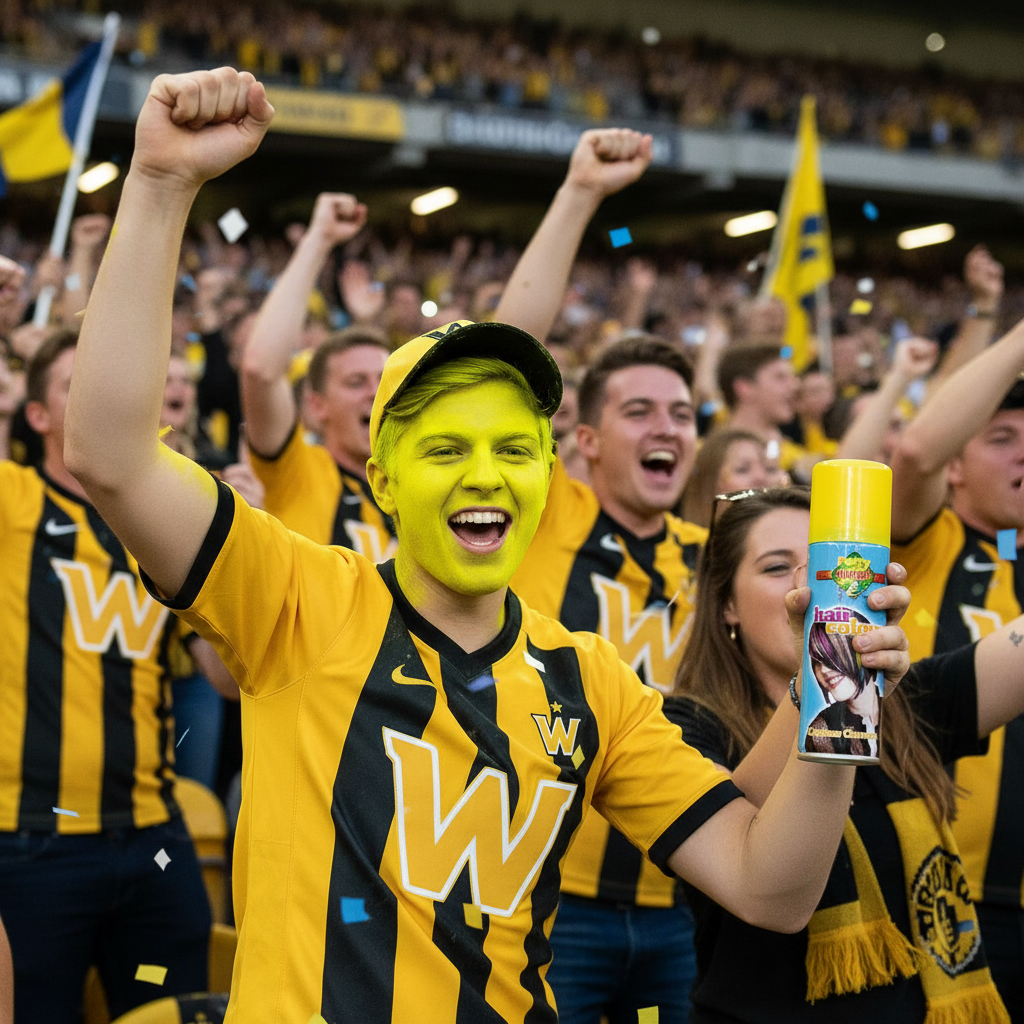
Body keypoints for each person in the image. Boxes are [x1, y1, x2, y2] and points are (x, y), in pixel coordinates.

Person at [64, 68, 911, 1024]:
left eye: (516, 450)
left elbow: (772, 889)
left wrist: (831, 698)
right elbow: (108, 452)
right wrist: (160, 186)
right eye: (445, 449)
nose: (485, 475)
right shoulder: (294, 598)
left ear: (551, 477)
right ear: (381, 479)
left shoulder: (589, 680)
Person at [666, 487, 1012, 1023]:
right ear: (727, 603)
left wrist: (851, 679)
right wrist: (823, 683)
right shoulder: (685, 725)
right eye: (778, 567)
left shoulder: (904, 703)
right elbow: (737, 840)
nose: (806, 587)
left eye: (825, 565)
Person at [498, 129, 704, 1021]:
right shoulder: (548, 517)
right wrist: (580, 192)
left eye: (684, 413)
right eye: (640, 411)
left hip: (688, 902)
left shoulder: (717, 554)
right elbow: (503, 359)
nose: (668, 428)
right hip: (548, 900)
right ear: (581, 443)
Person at [0, 330, 211, 1020]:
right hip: (28, 847)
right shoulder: (12, 502)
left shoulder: (169, 521)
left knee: (172, 1015)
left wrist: (234, 548)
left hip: (155, 840)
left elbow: (230, 680)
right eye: (73, 384)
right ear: (35, 417)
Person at [889, 312, 1024, 1017]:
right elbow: (912, 453)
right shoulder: (926, 542)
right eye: (1001, 440)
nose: (1022, 456)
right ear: (957, 466)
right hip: (945, 894)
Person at [240, 194, 396, 560]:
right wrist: (319, 239)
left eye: (383, 382)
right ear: (316, 405)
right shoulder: (296, 472)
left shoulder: (415, 491)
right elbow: (261, 370)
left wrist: (365, 324)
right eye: (356, 383)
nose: (376, 394)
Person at [716, 343, 818, 482]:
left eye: (793, 377)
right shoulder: (711, 458)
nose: (795, 386)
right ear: (744, 388)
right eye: (780, 377)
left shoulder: (799, 458)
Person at [804, 611, 880, 758]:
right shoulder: (821, 727)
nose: (824, 669)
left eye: (831, 657)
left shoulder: (900, 706)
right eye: (817, 662)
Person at [680, 428, 780, 529]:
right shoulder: (687, 542)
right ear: (707, 487)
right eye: (743, 469)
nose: (761, 477)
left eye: (770, 469)